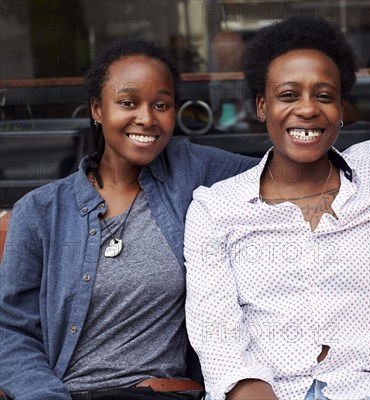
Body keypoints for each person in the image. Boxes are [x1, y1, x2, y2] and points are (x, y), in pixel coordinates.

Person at [183, 15, 370, 400]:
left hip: (365, 390)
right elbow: (218, 337)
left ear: (342, 108)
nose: (307, 109)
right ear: (262, 106)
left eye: (324, 95)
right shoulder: (216, 209)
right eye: (288, 95)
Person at [0, 39, 257, 399]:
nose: (147, 118)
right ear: (96, 109)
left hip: (164, 393)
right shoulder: (41, 212)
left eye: (161, 105)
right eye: (127, 103)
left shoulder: (191, 171)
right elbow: (11, 330)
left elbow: (278, 171)